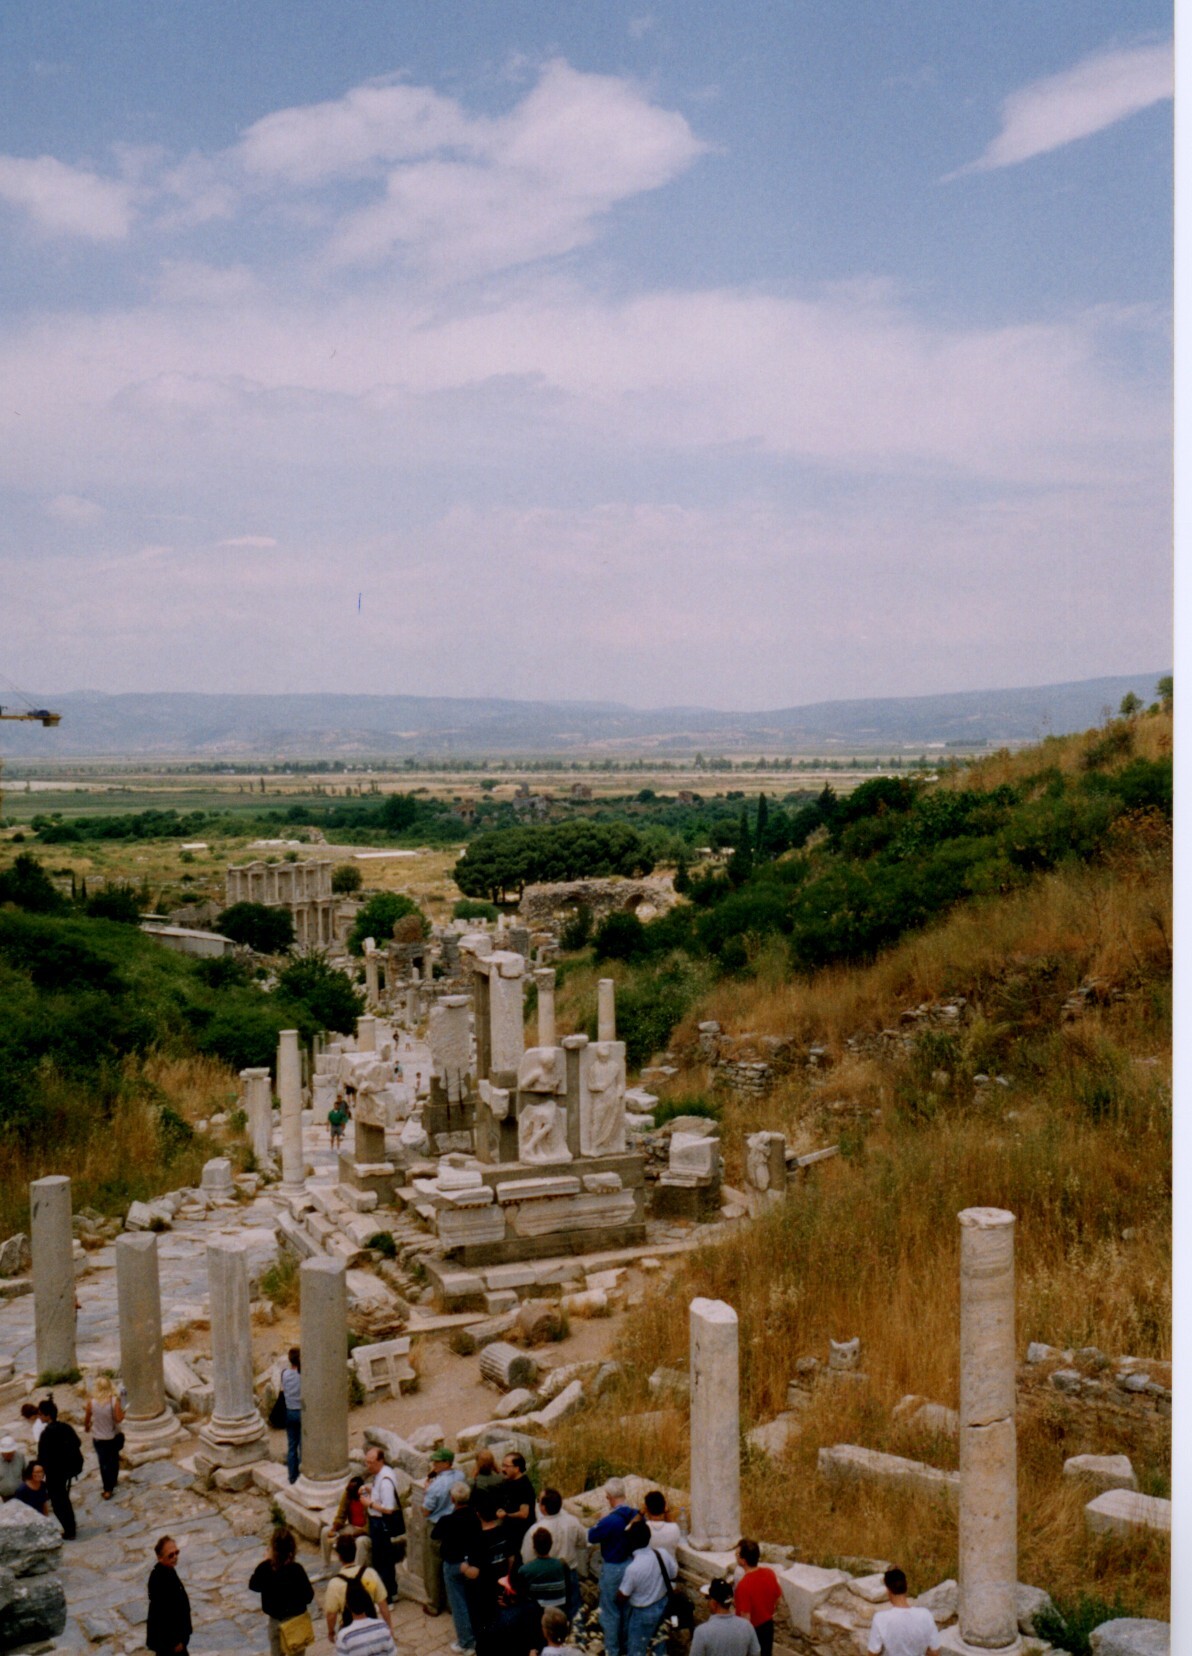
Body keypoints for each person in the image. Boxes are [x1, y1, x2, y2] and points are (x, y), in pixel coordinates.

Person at [586, 1477, 639, 1656]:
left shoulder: (610, 1521)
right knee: (627, 1609)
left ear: (609, 1497)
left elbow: (591, 1536)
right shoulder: (635, 1514)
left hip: (613, 1567)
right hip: (631, 1564)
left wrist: (600, 1519)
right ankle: (626, 1648)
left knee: (610, 1612)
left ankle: (613, 1650)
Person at [460, 1489, 516, 1653]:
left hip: (482, 1593)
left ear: (478, 1515)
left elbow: (475, 1573)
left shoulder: (476, 1540)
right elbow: (511, 1559)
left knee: (484, 1634)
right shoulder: (505, 1532)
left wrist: (463, 1568)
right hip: (502, 1588)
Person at [248, 1526, 315, 1656]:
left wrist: (265, 1561)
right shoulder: (297, 1570)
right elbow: (309, 1596)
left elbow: (253, 1585)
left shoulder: (266, 1569)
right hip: (296, 1623)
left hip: (277, 1623)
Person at [432, 1482, 481, 1655]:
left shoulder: (448, 1520)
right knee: (471, 1602)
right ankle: (475, 1636)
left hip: (454, 1564)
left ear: (453, 1499)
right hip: (471, 1564)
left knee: (458, 1604)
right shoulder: (475, 1517)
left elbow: (434, 1534)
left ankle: (466, 1642)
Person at [616, 1519, 675, 1656]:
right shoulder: (662, 1554)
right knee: (660, 1644)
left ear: (632, 1542)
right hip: (662, 1605)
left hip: (643, 1613)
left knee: (636, 1649)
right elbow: (673, 1573)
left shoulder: (633, 1568)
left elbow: (623, 1596)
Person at [322, 1535, 392, 1641]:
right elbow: (383, 1605)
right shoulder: (370, 1573)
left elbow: (331, 1614)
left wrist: (331, 1632)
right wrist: (389, 1627)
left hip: (348, 1631)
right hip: (371, 1625)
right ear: (355, 1551)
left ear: (339, 1557)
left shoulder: (335, 1583)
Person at [36, 1398, 83, 1540]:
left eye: (41, 1414)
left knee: (58, 1503)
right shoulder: (66, 1427)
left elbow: (42, 1457)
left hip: (55, 1474)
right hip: (68, 1470)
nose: (39, 1417)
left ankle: (69, 1531)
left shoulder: (46, 1434)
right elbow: (78, 1442)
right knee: (64, 1499)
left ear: (47, 1415)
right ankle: (71, 1527)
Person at [422, 1446, 460, 1617]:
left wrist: (426, 1489)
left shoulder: (435, 1485)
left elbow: (425, 1511)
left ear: (446, 1463)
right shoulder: (460, 1476)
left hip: (437, 1525)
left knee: (434, 1565)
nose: (434, 1464)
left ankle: (435, 1603)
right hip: (455, 1524)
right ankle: (453, 1604)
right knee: (452, 1563)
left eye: (437, 1461)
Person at [363, 1445, 404, 1604]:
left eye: (371, 1462)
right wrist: (370, 1489)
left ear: (380, 1461)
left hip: (381, 1524)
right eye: (366, 1462)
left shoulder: (385, 1480)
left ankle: (387, 1598)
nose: (368, 1466)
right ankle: (390, 1593)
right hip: (377, 1523)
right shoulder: (381, 1474)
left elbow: (388, 1508)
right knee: (382, 1559)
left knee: (382, 1561)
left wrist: (369, 1503)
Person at [867, 1568, 940, 1656]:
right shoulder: (925, 1615)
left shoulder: (880, 1618)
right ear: (906, 1587)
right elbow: (935, 1652)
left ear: (888, 1591)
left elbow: (873, 1653)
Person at [733, 1539, 782, 1656]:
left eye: (737, 1554)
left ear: (743, 1561)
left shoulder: (743, 1585)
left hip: (753, 1630)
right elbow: (778, 1599)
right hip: (768, 1625)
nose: (735, 1556)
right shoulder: (770, 1573)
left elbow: (746, 1619)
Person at [146, 1535, 192, 1656]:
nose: (175, 1557)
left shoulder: (169, 1570)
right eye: (170, 1555)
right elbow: (163, 1614)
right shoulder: (158, 1579)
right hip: (170, 1642)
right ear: (160, 1558)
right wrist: (175, 1641)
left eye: (176, 1553)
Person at [519, 1489, 586, 1571]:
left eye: (538, 1501)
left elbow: (527, 1558)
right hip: (569, 1571)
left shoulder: (536, 1530)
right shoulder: (573, 1522)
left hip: (547, 1574)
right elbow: (583, 1543)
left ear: (543, 1507)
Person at [692, 1579, 760, 1656]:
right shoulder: (747, 1626)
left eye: (709, 1598)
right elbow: (755, 1652)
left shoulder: (701, 1632)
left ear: (714, 1603)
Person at [84, 1374, 125, 1501]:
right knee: (113, 1462)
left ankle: (107, 1490)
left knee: (103, 1463)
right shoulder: (114, 1402)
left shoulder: (91, 1403)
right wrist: (124, 1412)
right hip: (112, 1436)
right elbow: (119, 1419)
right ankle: (113, 1482)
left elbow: (87, 1419)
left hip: (98, 1437)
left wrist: (87, 1427)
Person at [334, 1579, 397, 1656]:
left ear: (348, 1606)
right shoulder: (383, 1627)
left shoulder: (344, 1636)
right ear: (367, 1602)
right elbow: (392, 1653)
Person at [516, 1526, 571, 1613]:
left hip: (537, 1612)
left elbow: (521, 1595)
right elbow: (569, 1587)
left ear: (534, 1546)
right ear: (551, 1544)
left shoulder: (525, 1570)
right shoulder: (562, 1564)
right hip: (560, 1610)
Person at [328, 1475, 372, 1569]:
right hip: (352, 1527)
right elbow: (341, 1515)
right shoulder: (348, 1494)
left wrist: (357, 1533)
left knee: (360, 1541)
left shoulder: (367, 1498)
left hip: (366, 1533)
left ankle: (356, 1572)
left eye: (351, 1491)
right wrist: (334, 1528)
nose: (348, 1493)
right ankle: (326, 1567)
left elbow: (371, 1524)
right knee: (325, 1531)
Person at [496, 1453, 536, 1549]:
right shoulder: (508, 1481)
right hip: (509, 1531)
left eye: (506, 1466)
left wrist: (506, 1515)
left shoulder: (524, 1486)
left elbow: (524, 1513)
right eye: (502, 1465)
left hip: (521, 1533)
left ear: (517, 1468)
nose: (503, 1469)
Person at [280, 1349, 302, 1485]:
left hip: (289, 1411)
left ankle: (292, 1477)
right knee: (303, 1446)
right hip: (301, 1412)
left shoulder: (284, 1374)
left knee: (292, 1446)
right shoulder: (303, 1375)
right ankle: (303, 1474)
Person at [0, 1435, 27, 1501]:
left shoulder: (20, 1457)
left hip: (21, 1494)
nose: (8, 1455)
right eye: (6, 1453)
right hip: (5, 1497)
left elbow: (26, 1473)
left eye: (10, 1452)